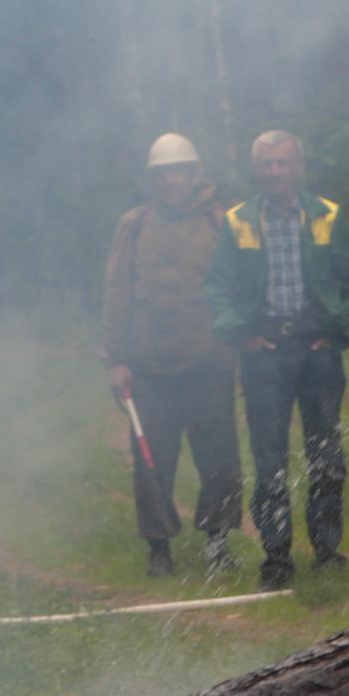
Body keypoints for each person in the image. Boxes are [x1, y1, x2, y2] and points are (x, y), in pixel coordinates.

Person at [205, 131, 349, 591]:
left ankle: (328, 553)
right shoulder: (238, 221)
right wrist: (242, 334)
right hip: (265, 355)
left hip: (317, 352)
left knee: (326, 456)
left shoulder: (328, 215)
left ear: (299, 166)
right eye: (267, 165)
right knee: (270, 459)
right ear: (255, 170)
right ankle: (276, 559)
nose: (275, 173)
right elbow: (217, 287)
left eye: (283, 164)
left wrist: (340, 329)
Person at [104, 133, 244, 578]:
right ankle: (158, 547)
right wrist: (116, 359)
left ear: (195, 175)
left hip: (209, 362)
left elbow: (240, 288)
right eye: (162, 174)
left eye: (178, 171)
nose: (171, 181)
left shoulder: (219, 224)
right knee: (151, 463)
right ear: (152, 179)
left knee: (219, 460)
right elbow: (116, 294)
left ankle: (218, 543)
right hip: (149, 368)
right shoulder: (134, 225)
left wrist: (242, 344)